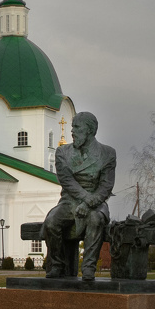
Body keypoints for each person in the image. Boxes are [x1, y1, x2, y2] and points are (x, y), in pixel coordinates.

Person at [42, 111, 116, 280]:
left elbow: (106, 185)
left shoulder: (107, 153)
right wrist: (85, 199)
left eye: (76, 127)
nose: (72, 131)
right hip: (69, 201)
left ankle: (89, 267)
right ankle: (57, 265)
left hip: (96, 202)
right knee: (51, 222)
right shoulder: (63, 152)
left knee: (95, 219)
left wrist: (89, 203)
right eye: (72, 127)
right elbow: (67, 181)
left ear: (89, 130)